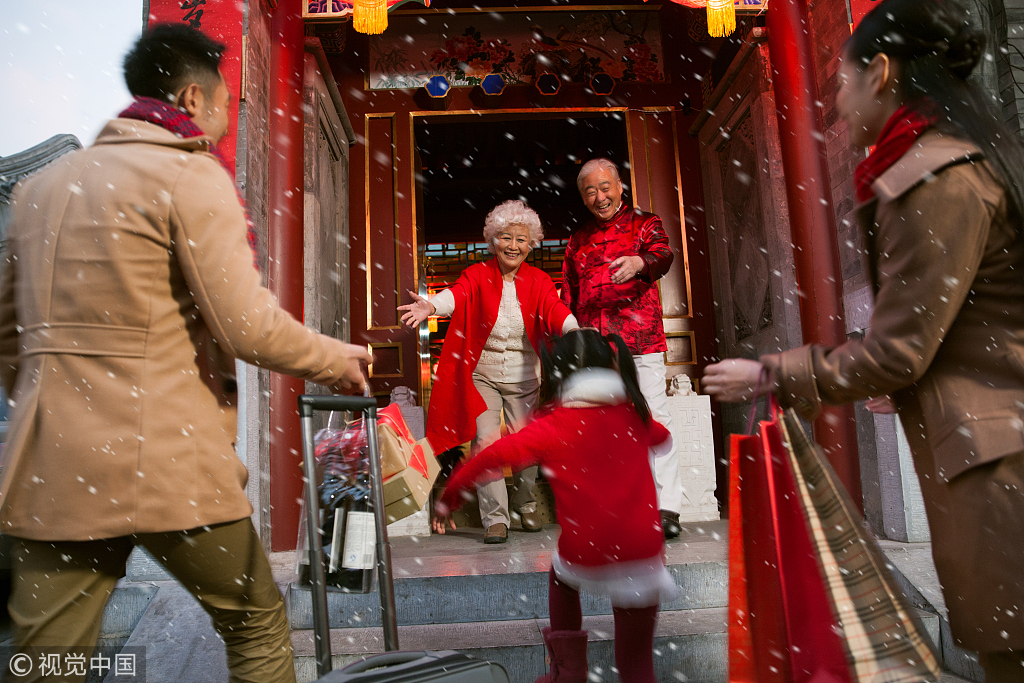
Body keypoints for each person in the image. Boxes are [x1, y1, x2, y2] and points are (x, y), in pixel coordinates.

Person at [0, 24, 371, 683]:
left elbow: (7, 336)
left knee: (47, 657)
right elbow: (245, 325)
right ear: (194, 98)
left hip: (51, 466)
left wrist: (52, 405)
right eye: (227, 97)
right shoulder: (187, 173)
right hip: (164, 458)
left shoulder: (41, 189)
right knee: (254, 621)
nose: (228, 113)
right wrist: (331, 356)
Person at [702, 1, 1024, 680]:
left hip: (998, 456)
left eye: (841, 85)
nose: (839, 106)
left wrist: (768, 372)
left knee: (1007, 653)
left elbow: (900, 349)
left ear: (881, 73)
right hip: (996, 437)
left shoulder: (934, 177)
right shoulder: (959, 156)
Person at [433, 329, 677, 683]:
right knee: (636, 662)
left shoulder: (552, 426)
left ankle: (568, 671)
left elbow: (494, 456)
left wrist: (449, 496)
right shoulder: (633, 415)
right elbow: (662, 437)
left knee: (561, 577)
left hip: (585, 550)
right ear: (611, 365)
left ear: (556, 374)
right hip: (642, 550)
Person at [399, 199, 578, 543]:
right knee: (485, 443)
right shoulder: (478, 274)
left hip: (525, 375)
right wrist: (432, 305)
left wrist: (574, 330)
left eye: (521, 239)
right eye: (506, 237)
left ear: (531, 244)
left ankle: (526, 504)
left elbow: (554, 308)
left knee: (526, 445)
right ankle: (495, 517)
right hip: (482, 374)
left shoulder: (539, 280)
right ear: (493, 240)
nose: (513, 245)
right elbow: (458, 294)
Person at [561, 159, 682, 539]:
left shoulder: (645, 224)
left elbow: (664, 255)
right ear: (583, 197)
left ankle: (667, 508)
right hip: (595, 349)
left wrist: (640, 261)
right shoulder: (577, 240)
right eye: (590, 191)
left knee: (653, 421)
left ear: (620, 185)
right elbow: (568, 292)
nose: (600, 197)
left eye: (605, 187)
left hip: (640, 341)